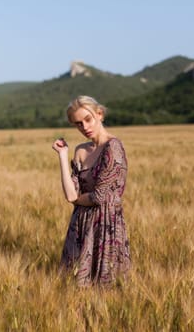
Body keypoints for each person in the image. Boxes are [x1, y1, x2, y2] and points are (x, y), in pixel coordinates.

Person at [52, 95, 131, 286]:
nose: (84, 127)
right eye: (78, 124)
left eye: (88, 120)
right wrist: (63, 156)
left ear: (100, 114)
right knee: (72, 287)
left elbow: (100, 197)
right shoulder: (80, 150)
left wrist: (78, 200)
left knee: (105, 287)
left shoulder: (113, 147)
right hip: (79, 225)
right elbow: (71, 194)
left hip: (105, 225)